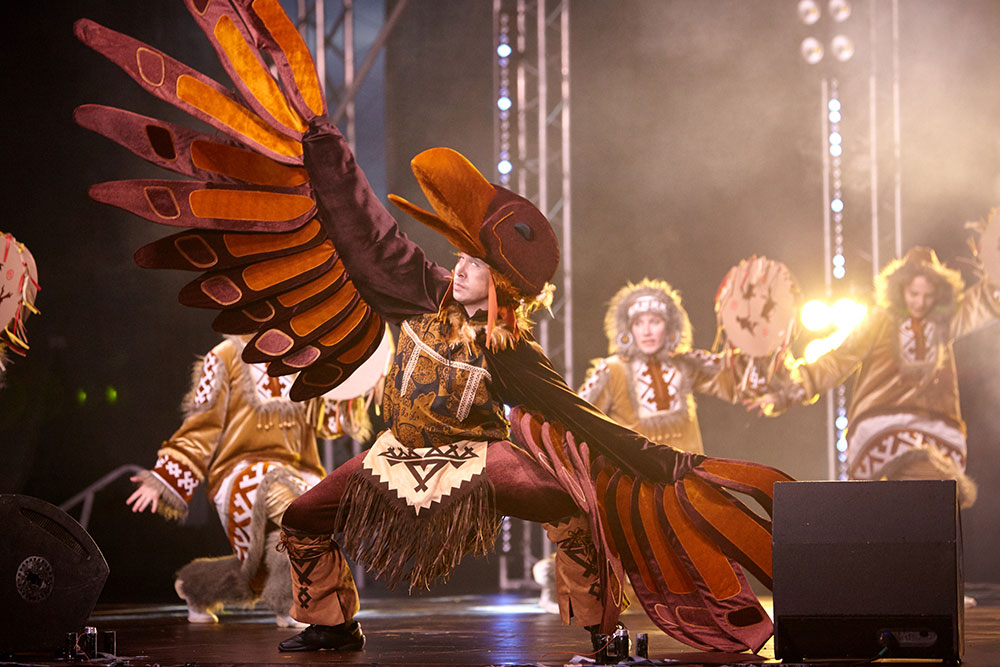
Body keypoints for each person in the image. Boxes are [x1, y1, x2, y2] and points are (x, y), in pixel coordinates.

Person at [77, 3, 791, 654]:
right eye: (461, 257)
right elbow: (367, 235)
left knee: (576, 511)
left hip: (480, 460)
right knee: (301, 517)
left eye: (474, 263)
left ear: (501, 284)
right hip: (396, 456)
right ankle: (331, 621)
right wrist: (324, 149)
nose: (460, 267)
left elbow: (574, 414)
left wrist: (663, 463)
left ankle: (602, 633)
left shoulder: (510, 350)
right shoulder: (421, 292)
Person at [126, 335, 372, 626]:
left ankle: (196, 586)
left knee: (259, 567)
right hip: (240, 471)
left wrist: (351, 382)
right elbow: (201, 427)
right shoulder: (224, 356)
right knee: (296, 518)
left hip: (300, 470)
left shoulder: (303, 354)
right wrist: (164, 477)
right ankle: (294, 603)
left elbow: (329, 422)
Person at [759, 246, 1000, 507]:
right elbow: (839, 359)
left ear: (938, 294)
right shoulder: (877, 321)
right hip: (882, 424)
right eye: (914, 294)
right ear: (900, 289)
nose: (920, 302)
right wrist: (789, 389)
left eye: (928, 295)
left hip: (936, 426)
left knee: (935, 497)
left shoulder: (945, 321)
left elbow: (982, 303)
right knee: (911, 485)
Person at [579, 278, 751, 453]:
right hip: (635, 469)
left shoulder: (685, 364)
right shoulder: (611, 370)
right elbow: (579, 421)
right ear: (629, 330)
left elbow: (737, 380)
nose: (646, 331)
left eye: (655, 321)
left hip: (688, 468)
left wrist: (754, 340)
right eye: (638, 323)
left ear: (670, 327)